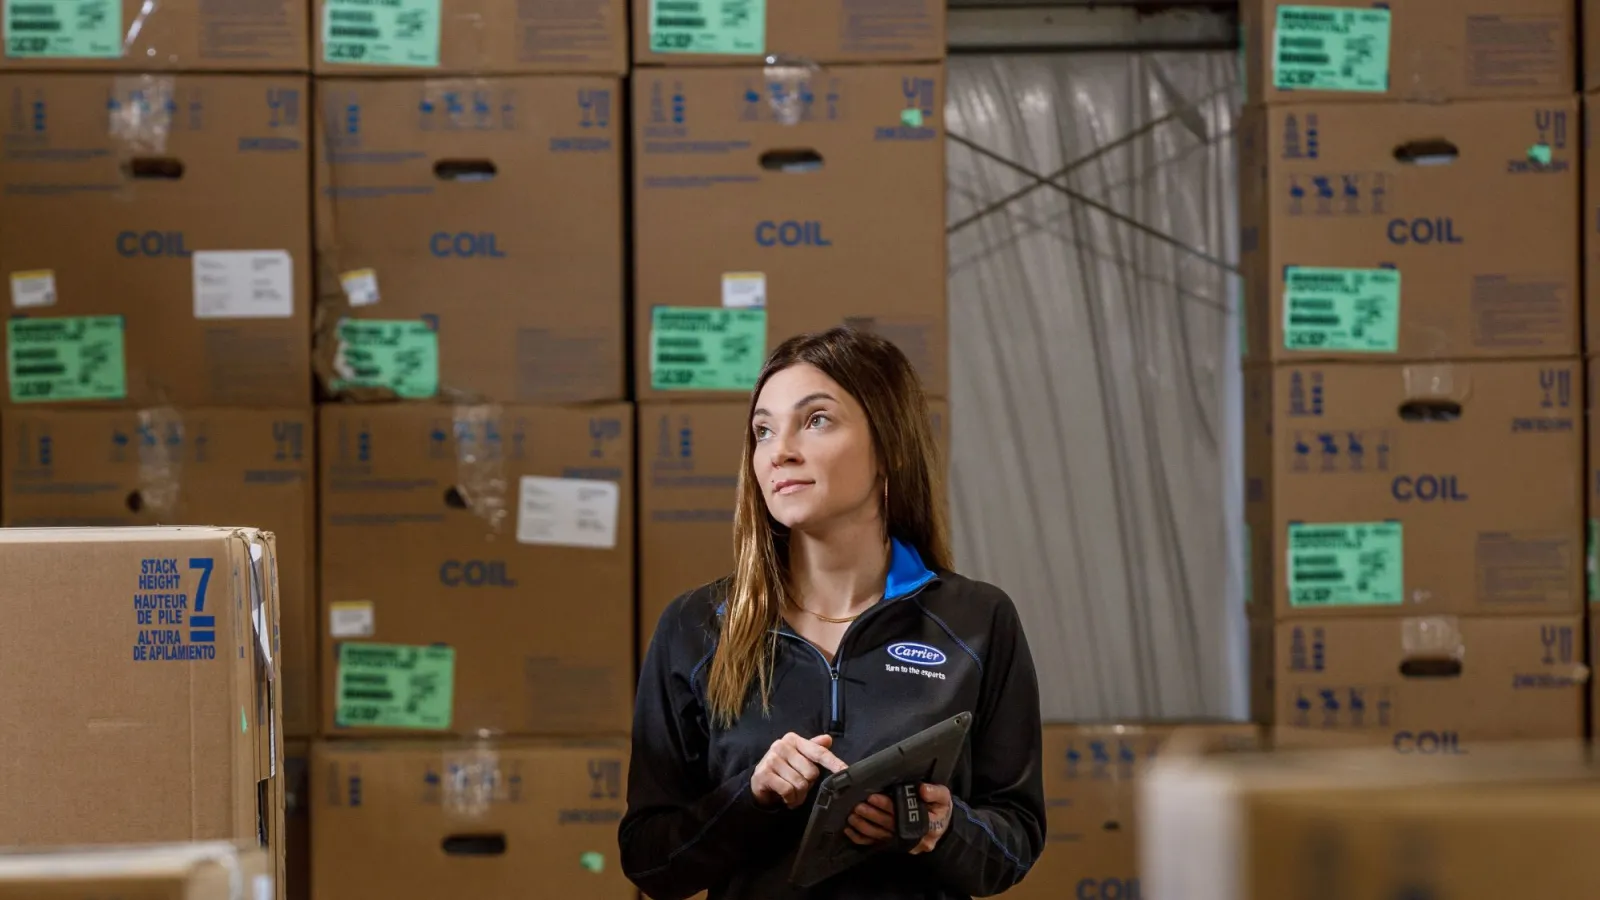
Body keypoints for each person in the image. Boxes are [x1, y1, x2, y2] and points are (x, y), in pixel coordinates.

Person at [619, 327, 1045, 900]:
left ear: (888, 444)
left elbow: (1015, 839)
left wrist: (941, 829)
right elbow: (649, 861)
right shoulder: (695, 627)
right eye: (763, 430)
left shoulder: (978, 620)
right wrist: (751, 798)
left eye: (815, 420)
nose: (780, 450)